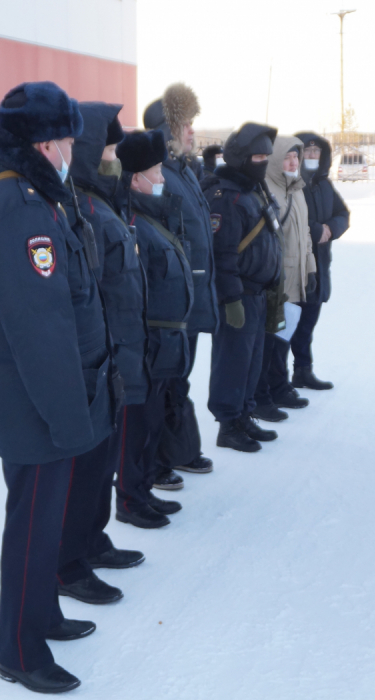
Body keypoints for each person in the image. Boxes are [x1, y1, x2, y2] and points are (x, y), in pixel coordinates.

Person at [0, 81, 113, 694]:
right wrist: (68, 418)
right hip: (35, 400)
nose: (74, 150)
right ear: (48, 143)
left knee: (44, 523)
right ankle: (19, 650)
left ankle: (41, 615)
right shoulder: (20, 208)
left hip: (30, 395)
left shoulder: (16, 196)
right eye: (69, 139)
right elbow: (40, 329)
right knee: (31, 526)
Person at [58, 102, 148, 601]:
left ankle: (91, 540)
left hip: (117, 355)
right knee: (83, 468)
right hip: (94, 359)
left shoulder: (104, 203)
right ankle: (67, 564)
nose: (116, 157)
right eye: (109, 148)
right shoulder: (80, 210)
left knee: (101, 464)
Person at [115, 129, 195, 528]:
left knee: (152, 425)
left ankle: (144, 488)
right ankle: (129, 499)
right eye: (156, 171)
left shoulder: (152, 217)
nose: (162, 178)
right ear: (135, 180)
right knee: (135, 426)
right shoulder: (130, 223)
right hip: (145, 344)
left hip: (164, 344)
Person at [142, 82, 216, 480]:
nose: (191, 131)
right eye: (185, 124)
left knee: (179, 378)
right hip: (172, 299)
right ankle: (155, 462)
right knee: (165, 381)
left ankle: (181, 450)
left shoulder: (183, 171)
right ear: (166, 131)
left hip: (190, 294)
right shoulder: (161, 176)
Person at [203, 122, 282, 453]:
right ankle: (228, 423)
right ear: (240, 158)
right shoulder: (226, 197)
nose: (262, 162)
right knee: (233, 361)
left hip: (259, 294)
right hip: (238, 294)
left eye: (266, 156)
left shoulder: (253, 190)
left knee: (252, 360)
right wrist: (231, 297)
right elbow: (222, 255)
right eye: (256, 156)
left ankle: (245, 413)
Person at [253, 134, 316, 422]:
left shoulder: (298, 189)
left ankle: (279, 387)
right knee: (271, 341)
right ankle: (263, 393)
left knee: (283, 338)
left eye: (296, 157)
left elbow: (305, 235)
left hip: (297, 278)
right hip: (278, 279)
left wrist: (311, 268)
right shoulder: (269, 189)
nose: (293, 161)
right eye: (287, 157)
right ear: (276, 160)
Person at [294, 132, 349, 391]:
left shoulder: (323, 184)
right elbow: (289, 219)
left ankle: (303, 371)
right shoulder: (292, 183)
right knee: (290, 325)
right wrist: (316, 230)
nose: (313, 156)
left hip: (320, 264)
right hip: (297, 266)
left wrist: (330, 228)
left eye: (317, 152)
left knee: (308, 324)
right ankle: (276, 380)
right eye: (308, 151)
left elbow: (343, 214)